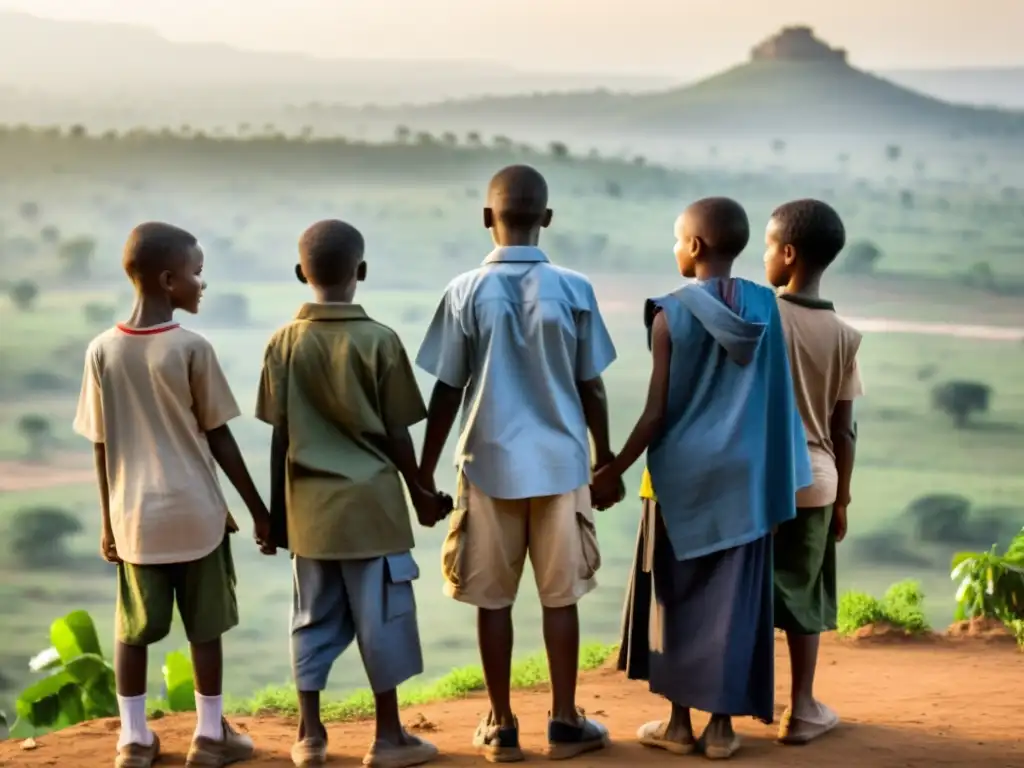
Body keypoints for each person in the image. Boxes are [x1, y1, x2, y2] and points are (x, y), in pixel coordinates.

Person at [593, 198, 812, 760]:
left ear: (693, 247)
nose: (675, 249)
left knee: (677, 601)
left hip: (682, 481)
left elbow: (656, 413)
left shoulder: (670, 313)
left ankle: (677, 724)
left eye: (676, 239)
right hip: (747, 480)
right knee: (734, 605)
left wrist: (613, 469)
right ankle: (721, 729)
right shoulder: (766, 305)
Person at [415, 165, 620, 762]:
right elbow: (593, 387)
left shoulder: (464, 291)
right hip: (561, 466)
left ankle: (501, 724)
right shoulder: (576, 289)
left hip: (486, 464)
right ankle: (563, 720)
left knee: (493, 601)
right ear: (547, 218)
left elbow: (447, 391)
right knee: (561, 600)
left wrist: (424, 474)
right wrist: (604, 458)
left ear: (488, 218)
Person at [73, 222, 273, 768]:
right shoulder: (191, 348)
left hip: (135, 517)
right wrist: (258, 511)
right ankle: (210, 736)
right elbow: (220, 436)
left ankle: (134, 740)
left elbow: (101, 446)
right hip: (197, 515)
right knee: (205, 627)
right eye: (197, 272)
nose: (202, 284)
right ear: (168, 280)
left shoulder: (102, 351)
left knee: (131, 631)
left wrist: (108, 522)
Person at [255, 219, 446, 768]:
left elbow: (280, 437)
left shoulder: (282, 343)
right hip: (373, 509)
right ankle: (388, 738)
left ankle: (310, 737)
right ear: (361, 272)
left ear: (300, 274)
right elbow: (397, 433)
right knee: (381, 616)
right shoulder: (380, 340)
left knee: (309, 617)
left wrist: (273, 514)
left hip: (308, 512)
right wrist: (422, 494)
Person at [763, 199, 863, 745]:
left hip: (760, 482)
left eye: (767, 249)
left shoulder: (760, 316)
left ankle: (738, 700)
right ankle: (801, 709)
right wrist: (843, 499)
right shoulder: (844, 335)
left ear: (789, 253)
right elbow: (843, 430)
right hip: (817, 481)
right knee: (804, 598)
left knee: (748, 592)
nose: (764, 260)